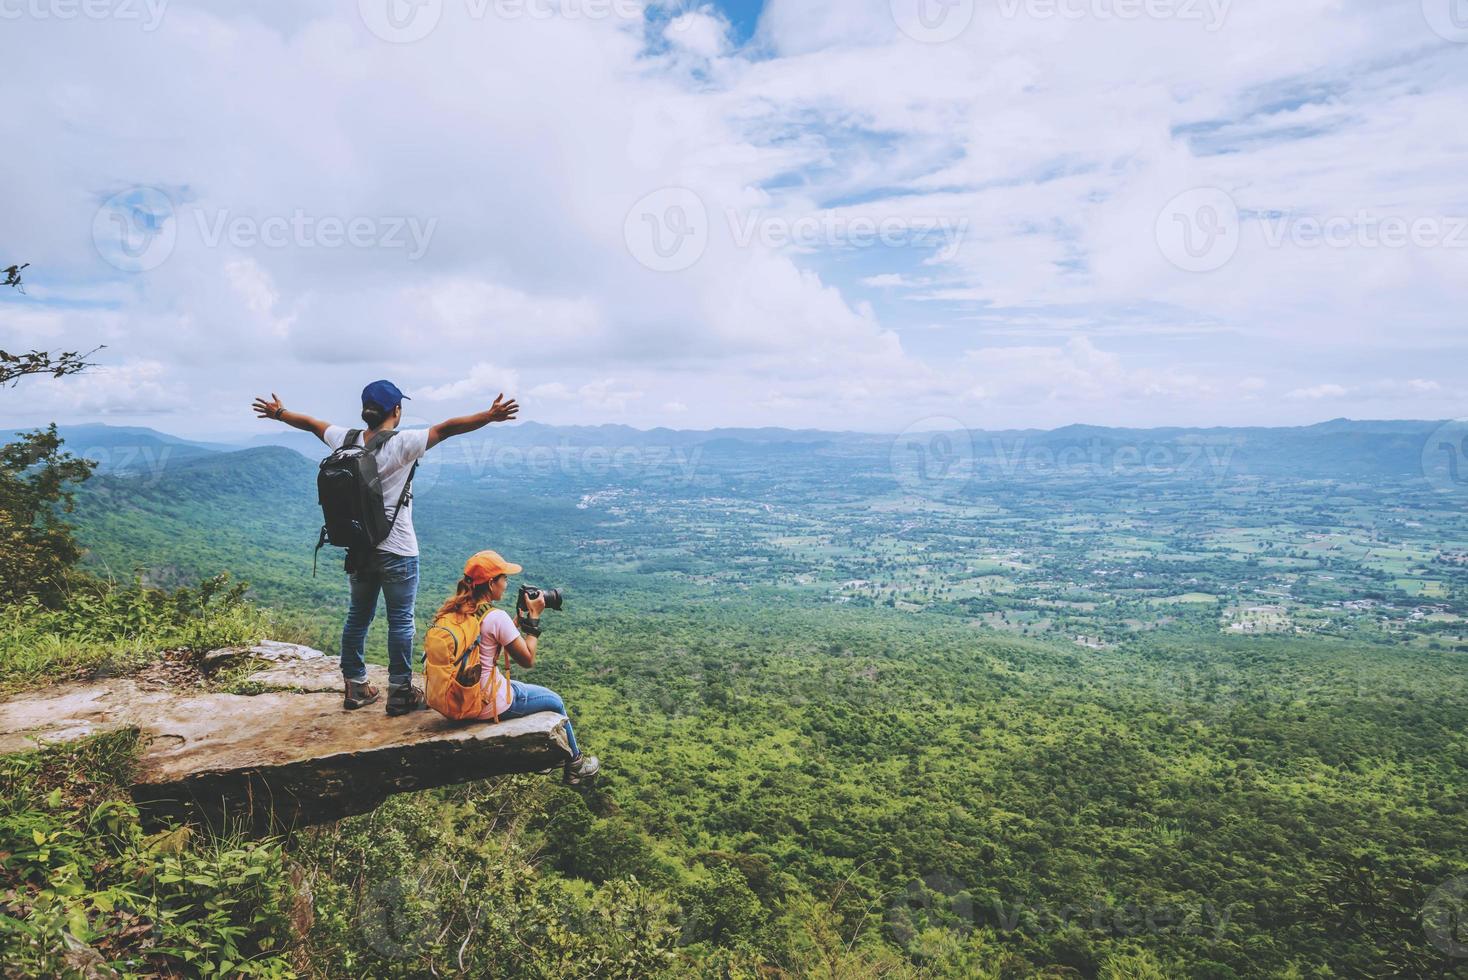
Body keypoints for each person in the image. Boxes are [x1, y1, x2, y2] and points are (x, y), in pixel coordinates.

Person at [251, 382, 519, 715]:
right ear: (396, 411)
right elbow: (448, 429)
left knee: (358, 616)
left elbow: (311, 424)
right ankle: (399, 693)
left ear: (365, 411)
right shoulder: (403, 443)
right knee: (401, 622)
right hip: (399, 551)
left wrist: (279, 413)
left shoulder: (344, 439)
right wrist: (490, 416)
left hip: (360, 548)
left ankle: (355, 686)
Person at [435, 550, 600, 785]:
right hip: (486, 702)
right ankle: (576, 765)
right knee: (555, 701)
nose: (506, 584)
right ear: (491, 583)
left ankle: (549, 760)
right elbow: (527, 660)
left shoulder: (456, 610)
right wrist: (534, 618)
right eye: (504, 579)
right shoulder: (495, 617)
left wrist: (512, 626)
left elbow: (482, 644)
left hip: (459, 695)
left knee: (524, 688)